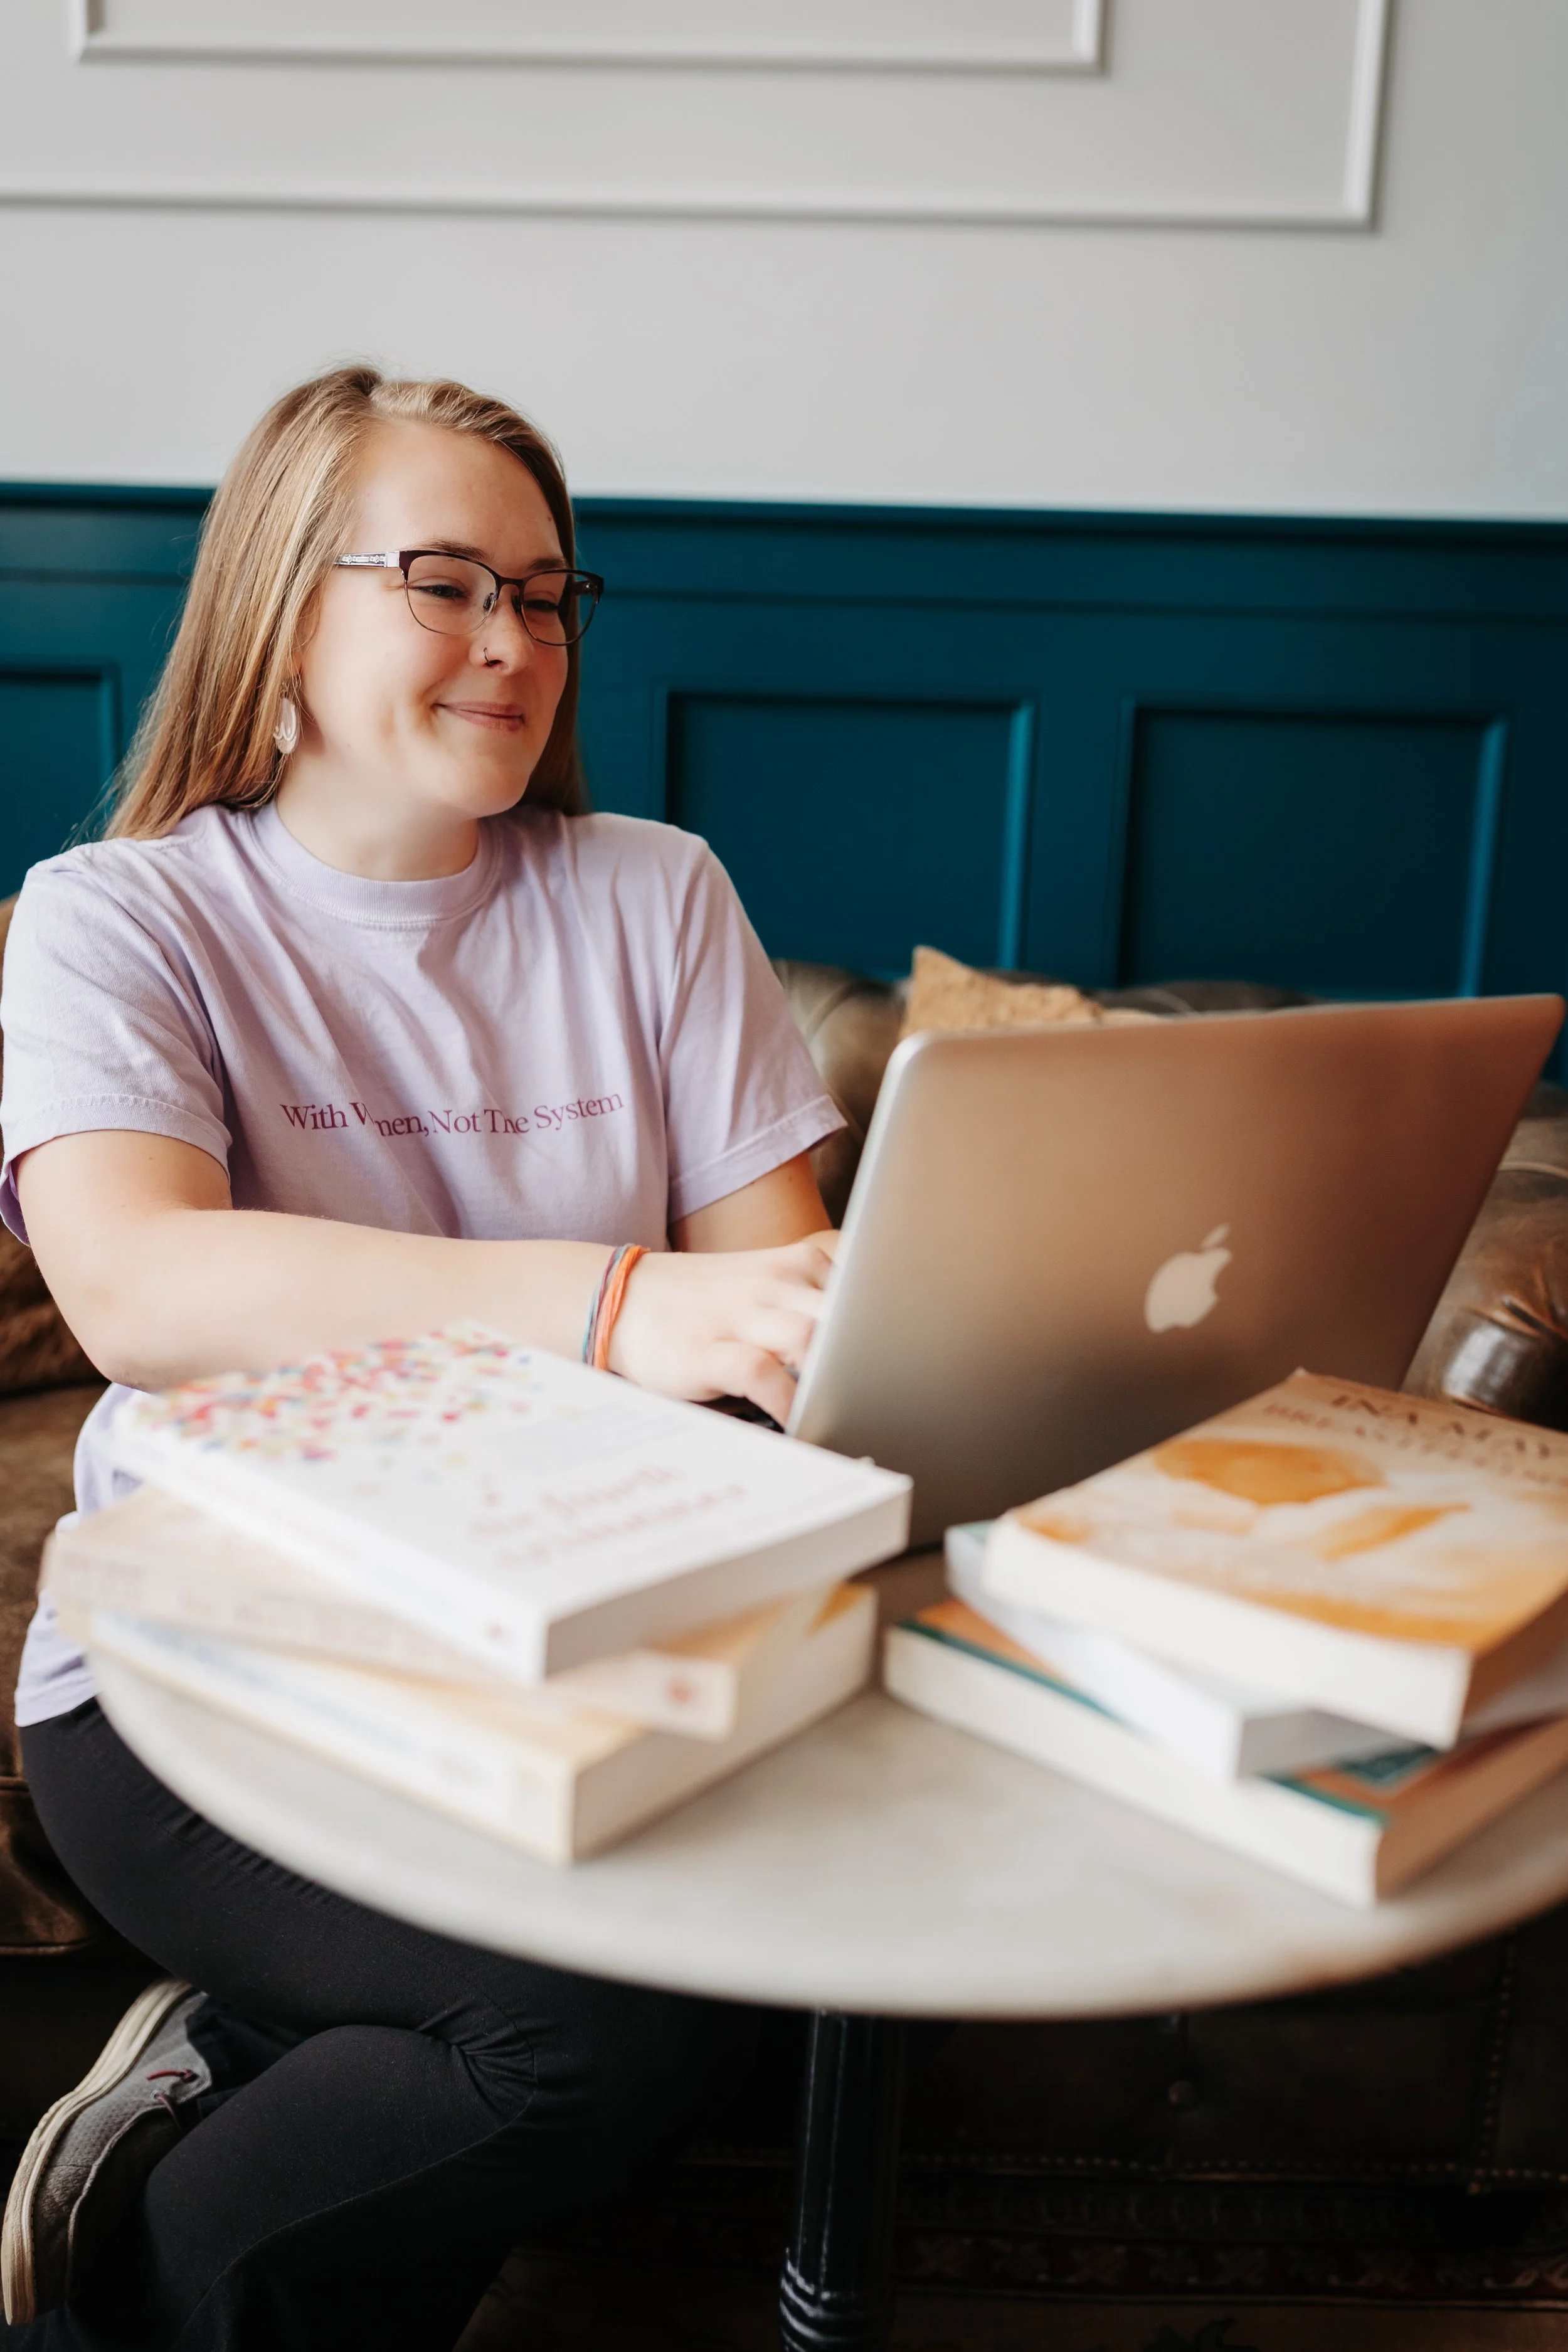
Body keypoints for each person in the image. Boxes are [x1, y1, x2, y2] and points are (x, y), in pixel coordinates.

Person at [0, 367, 845, 2349]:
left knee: (794, 1974)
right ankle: (131, 2276)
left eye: (549, 595)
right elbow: (140, 1283)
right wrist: (616, 1303)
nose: (513, 642)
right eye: (447, 580)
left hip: (571, 1640)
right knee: (591, 2013)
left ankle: (236, 2062)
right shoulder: (115, 918)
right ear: (281, 608)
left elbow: (789, 1319)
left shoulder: (657, 894)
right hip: (200, 1678)